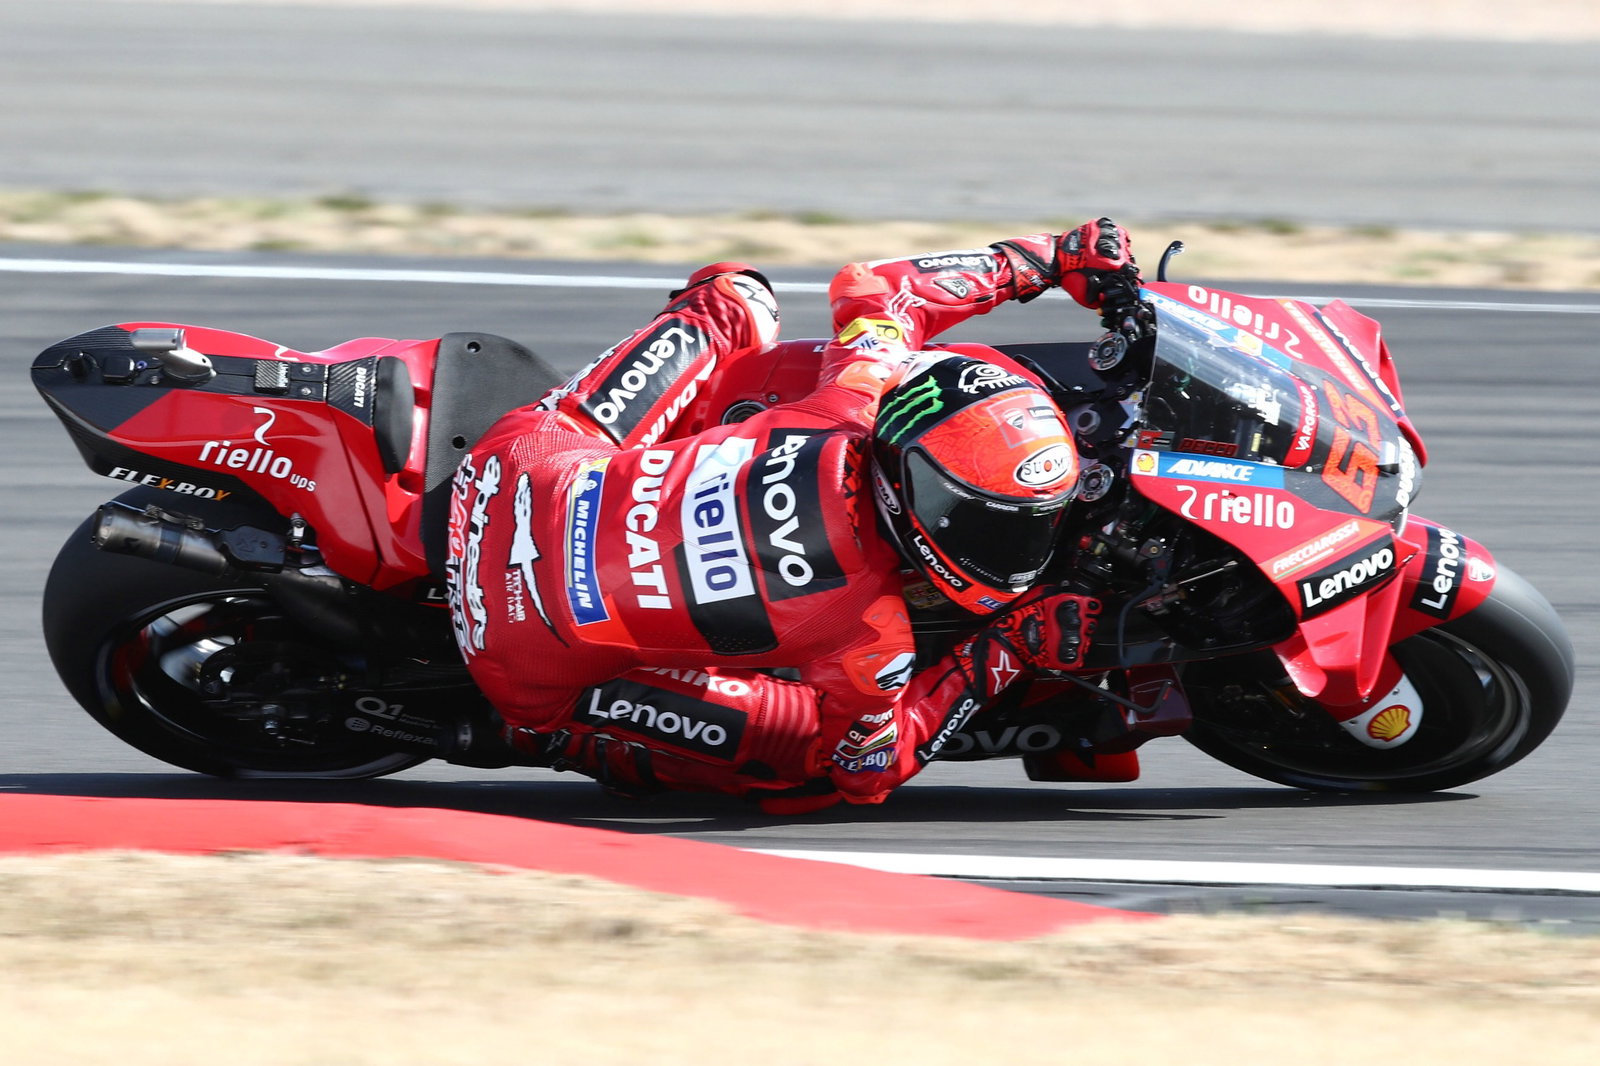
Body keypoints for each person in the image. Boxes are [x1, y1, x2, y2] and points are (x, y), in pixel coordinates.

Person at [445, 218, 1141, 812]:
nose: (1023, 545)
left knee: (736, 296)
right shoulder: (871, 632)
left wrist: (1046, 257)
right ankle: (539, 734)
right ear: (916, 489)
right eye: (1001, 524)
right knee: (806, 762)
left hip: (513, 471)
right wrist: (1012, 647)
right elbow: (870, 770)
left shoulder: (854, 395)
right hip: (510, 654)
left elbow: (875, 289)